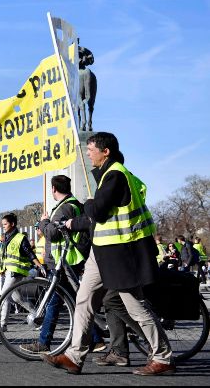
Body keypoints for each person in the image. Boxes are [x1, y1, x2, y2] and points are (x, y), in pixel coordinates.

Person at [42, 132, 174, 376]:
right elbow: (96, 219)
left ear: (106, 152)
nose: (88, 153)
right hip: (101, 253)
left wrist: (89, 203)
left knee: (136, 307)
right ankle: (74, 356)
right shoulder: (106, 176)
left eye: (91, 149)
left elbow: (98, 211)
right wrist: (74, 223)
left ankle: (163, 356)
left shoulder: (115, 175)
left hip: (120, 254)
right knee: (84, 300)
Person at [21, 175, 105, 354]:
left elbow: (53, 233)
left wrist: (44, 222)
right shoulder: (74, 204)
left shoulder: (64, 208)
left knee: (54, 302)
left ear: (53, 189)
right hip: (68, 260)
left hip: (64, 261)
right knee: (75, 301)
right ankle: (96, 339)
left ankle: (44, 343)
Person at [0, 213, 45, 333]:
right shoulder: (6, 238)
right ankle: (39, 316)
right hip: (9, 271)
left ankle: (2, 325)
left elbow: (29, 253)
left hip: (16, 271)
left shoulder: (20, 237)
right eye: (2, 224)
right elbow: (5, 256)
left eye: (5, 224)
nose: (3, 226)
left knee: (4, 296)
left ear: (12, 224)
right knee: (18, 298)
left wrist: (39, 265)